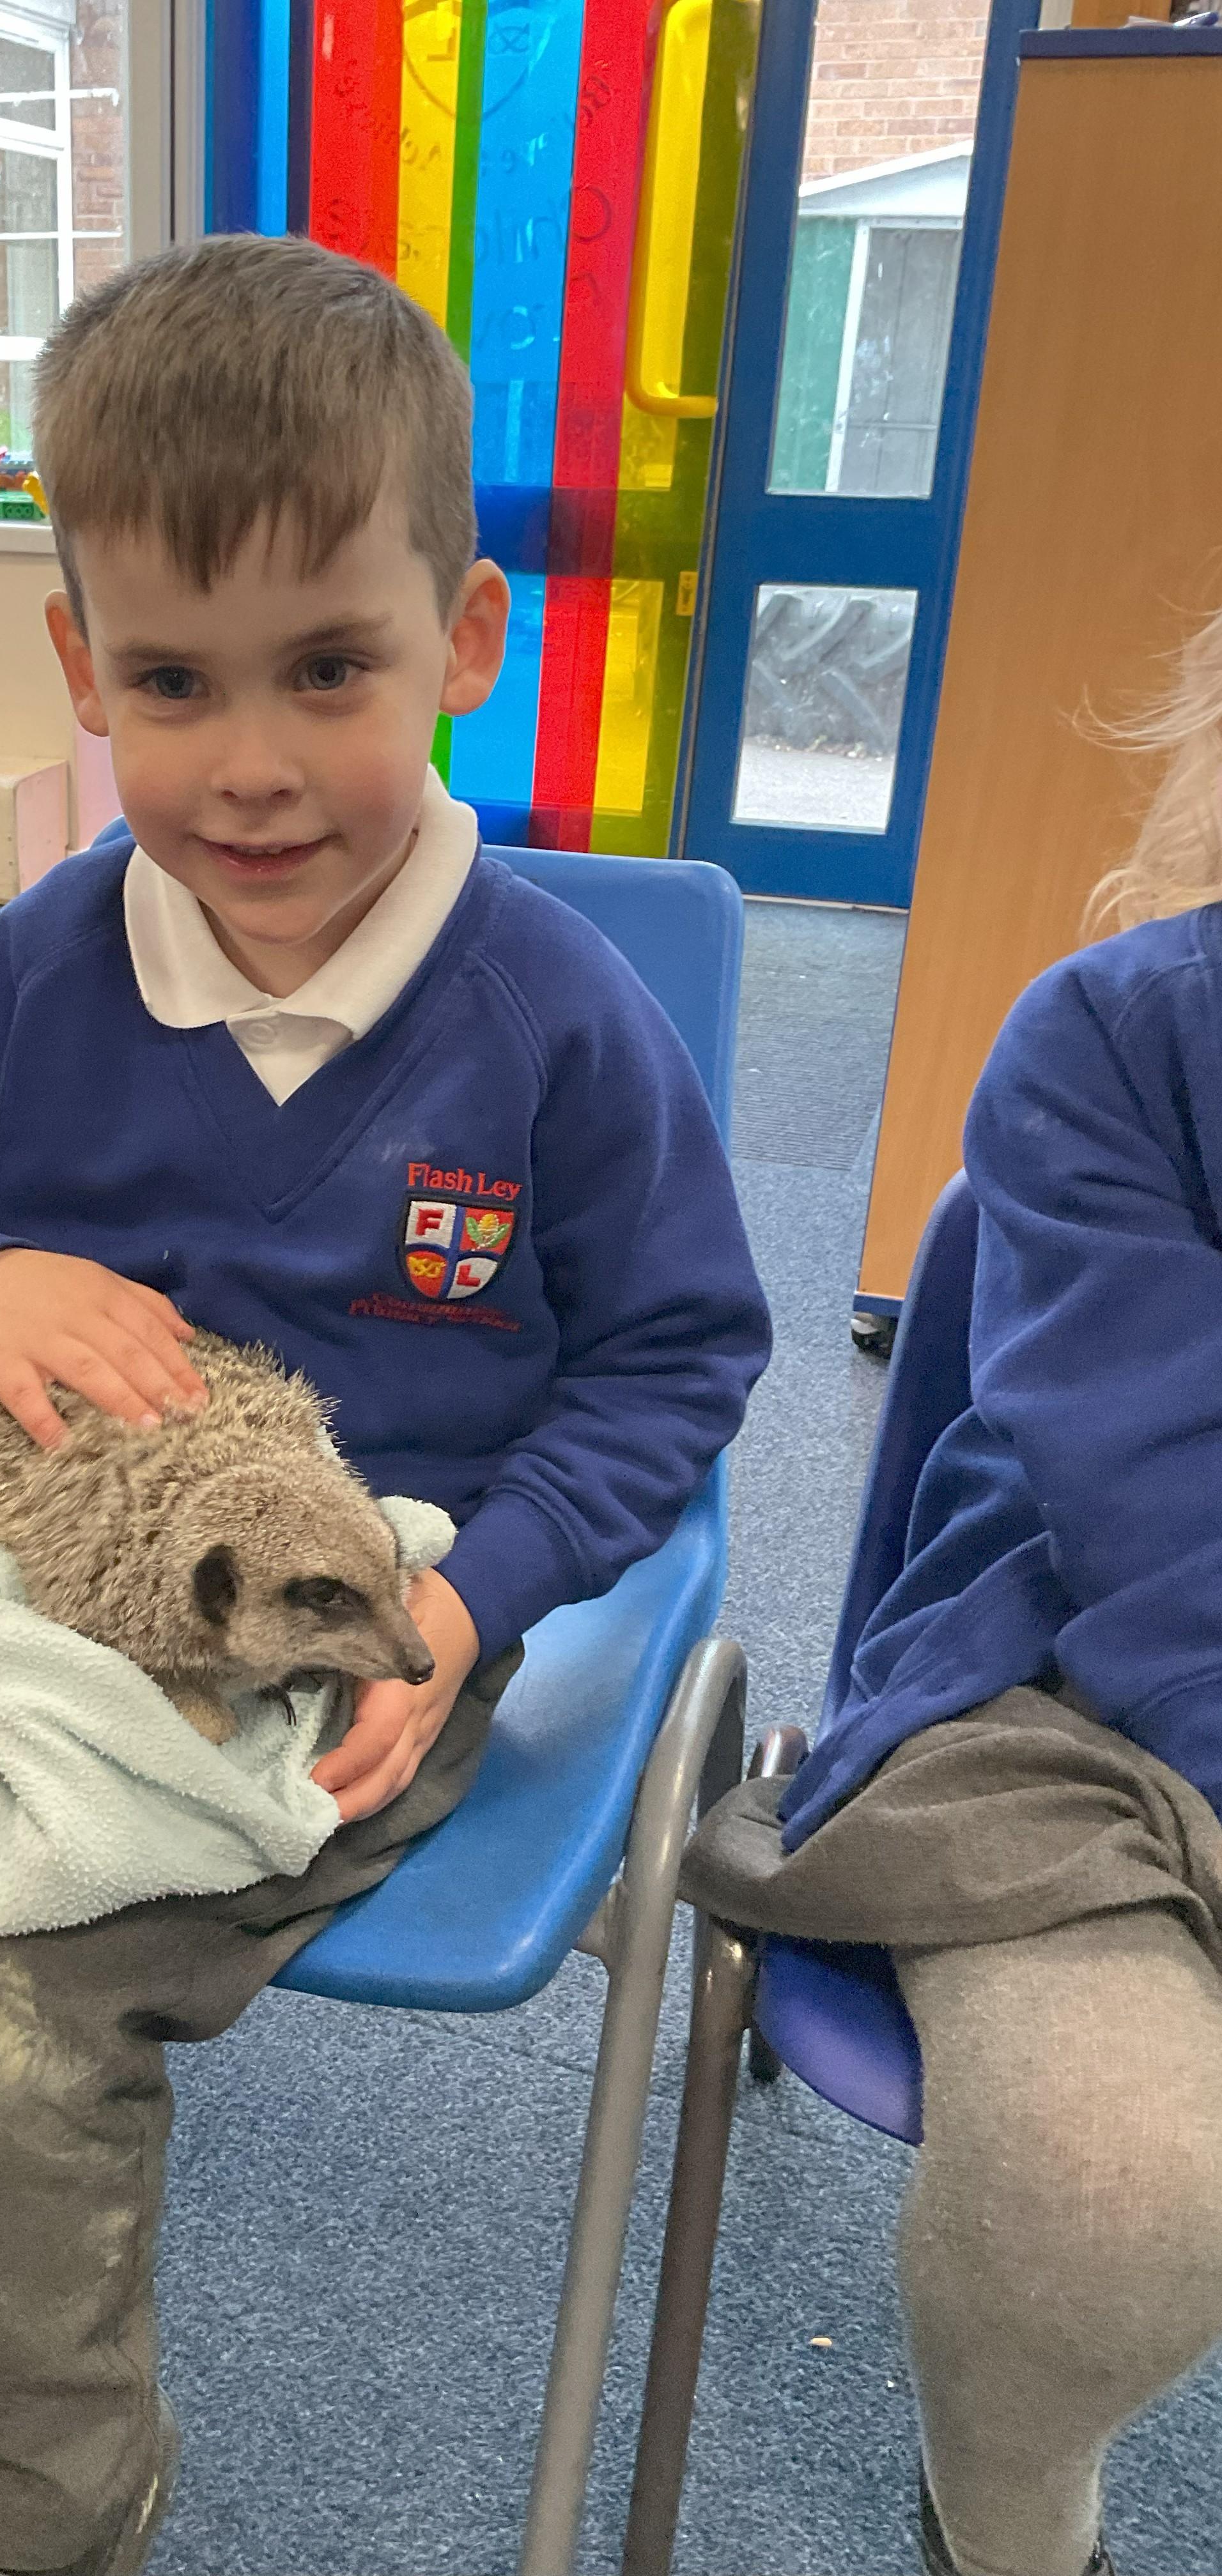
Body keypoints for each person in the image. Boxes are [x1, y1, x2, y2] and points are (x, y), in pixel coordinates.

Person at [0, 233, 771, 2576]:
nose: (250, 767)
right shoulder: (52, 954)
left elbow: (681, 1363)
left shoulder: (552, 1015)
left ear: (462, 639)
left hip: (358, 1613)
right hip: (16, 1568)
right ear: (83, 671)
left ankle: (46, 2498)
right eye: (171, 682)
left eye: (329, 670)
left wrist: (481, 1599)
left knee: (10, 2011)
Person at [684, 602, 1222, 2576]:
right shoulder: (1127, 1038)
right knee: (1104, 2190)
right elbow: (1158, 1510)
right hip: (1072, 1703)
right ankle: (1011, 2528)